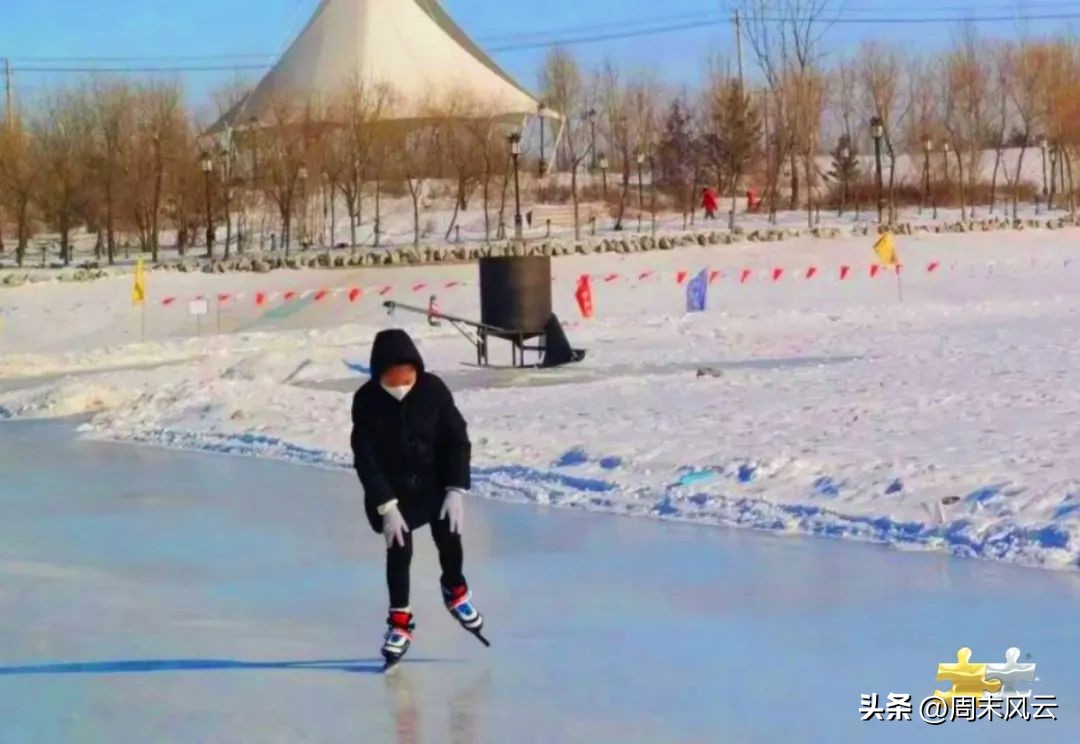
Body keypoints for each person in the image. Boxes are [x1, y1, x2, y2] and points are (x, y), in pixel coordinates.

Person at [351, 329, 485, 667]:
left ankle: (455, 590)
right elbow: (365, 458)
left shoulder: (433, 390)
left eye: (407, 379)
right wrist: (386, 505)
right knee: (399, 548)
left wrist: (455, 488)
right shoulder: (365, 400)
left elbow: (457, 440)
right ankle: (400, 622)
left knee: (449, 534)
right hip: (392, 492)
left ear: (416, 371)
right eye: (392, 380)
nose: (400, 386)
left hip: (435, 484)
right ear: (378, 374)